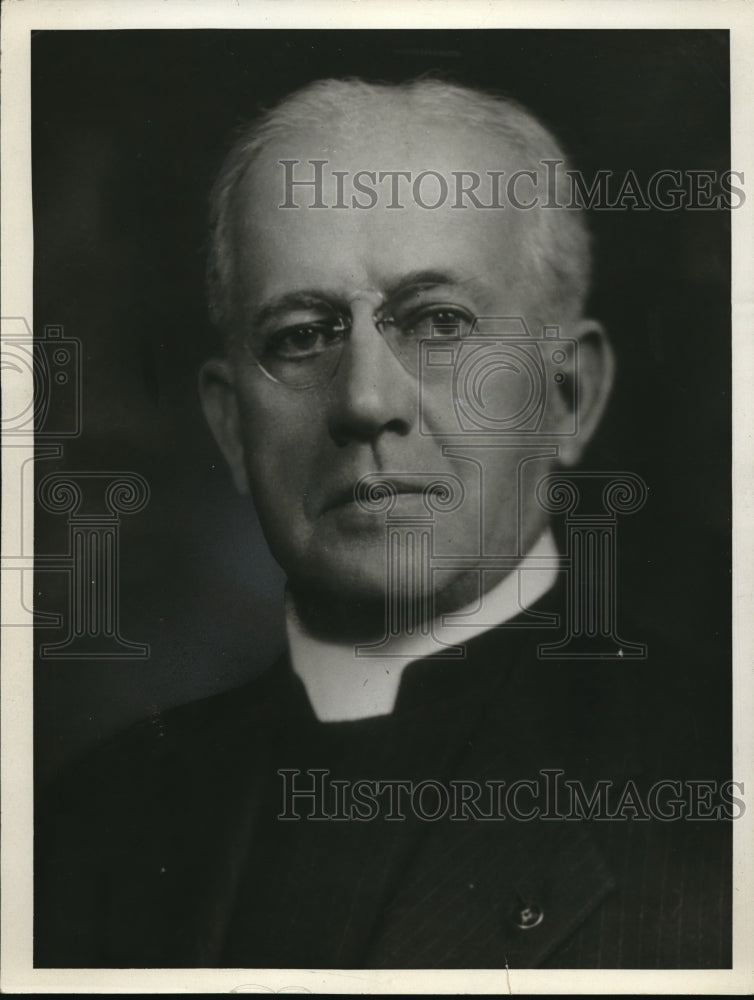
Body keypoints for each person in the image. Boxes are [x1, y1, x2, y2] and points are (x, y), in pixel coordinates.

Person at [35, 77, 731, 970]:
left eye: (439, 321)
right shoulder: (93, 822)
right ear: (230, 427)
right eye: (301, 334)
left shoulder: (716, 782)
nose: (366, 400)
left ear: (570, 395)